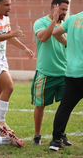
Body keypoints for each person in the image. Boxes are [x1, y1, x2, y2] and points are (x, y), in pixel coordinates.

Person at [0, 0, 34, 133]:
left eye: (10, 5)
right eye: (6, 5)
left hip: (2, 58)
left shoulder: (5, 19)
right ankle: (1, 121)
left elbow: (9, 37)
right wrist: (11, 34)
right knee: (9, 87)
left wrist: (24, 48)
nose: (9, 7)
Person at [31, 0, 70, 146]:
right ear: (54, 7)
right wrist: (53, 21)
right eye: (62, 9)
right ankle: (37, 135)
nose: (64, 12)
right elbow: (43, 38)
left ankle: (61, 134)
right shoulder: (40, 22)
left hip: (64, 73)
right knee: (40, 105)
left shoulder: (66, 25)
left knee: (66, 105)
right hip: (46, 72)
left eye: (66, 9)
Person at [49, 10, 83, 151]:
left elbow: (56, 33)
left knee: (65, 106)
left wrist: (68, 43)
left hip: (71, 72)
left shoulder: (74, 18)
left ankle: (56, 140)